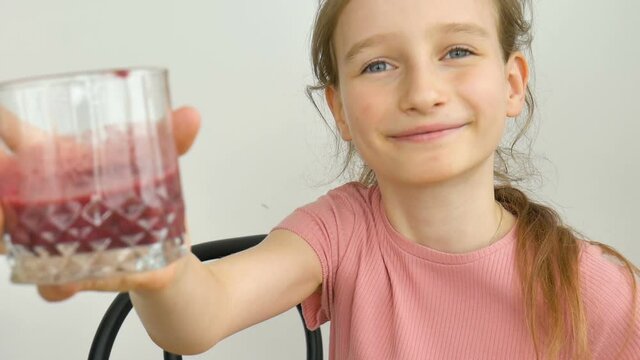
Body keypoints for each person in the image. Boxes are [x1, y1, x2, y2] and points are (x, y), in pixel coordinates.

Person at [2, 0, 639, 358]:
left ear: (511, 84)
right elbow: (198, 317)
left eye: (457, 52)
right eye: (379, 64)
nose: (422, 92)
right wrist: (159, 263)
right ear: (338, 110)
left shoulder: (599, 292)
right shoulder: (341, 230)